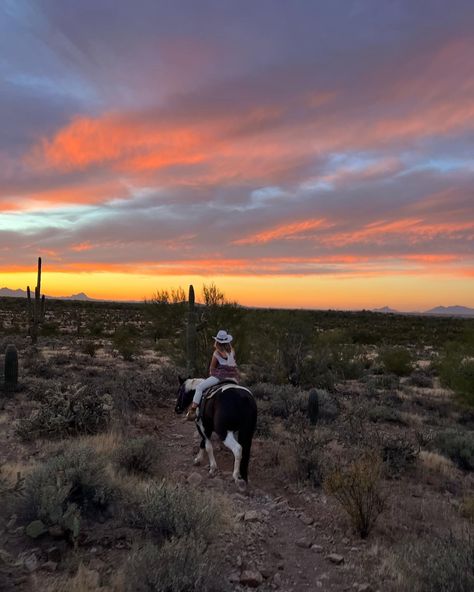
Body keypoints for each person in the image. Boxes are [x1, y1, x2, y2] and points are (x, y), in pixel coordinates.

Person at [186, 329, 239, 421]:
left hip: (220, 377)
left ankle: (193, 410)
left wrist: (212, 374)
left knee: (199, 387)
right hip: (233, 377)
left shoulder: (217, 353)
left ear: (217, 341)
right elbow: (234, 364)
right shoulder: (232, 351)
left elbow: (212, 368)